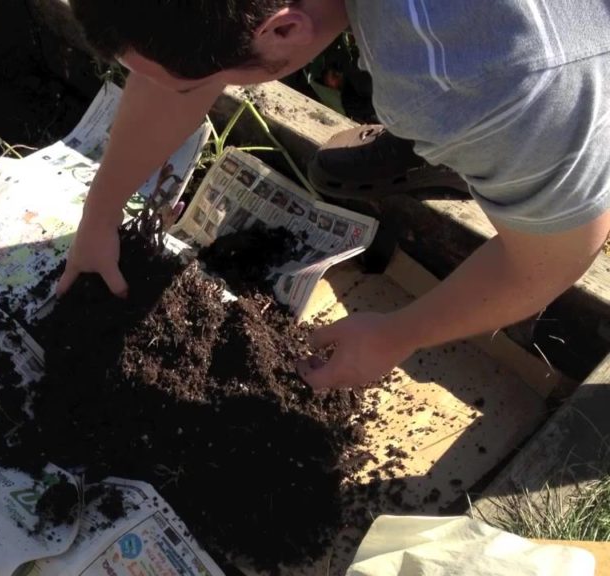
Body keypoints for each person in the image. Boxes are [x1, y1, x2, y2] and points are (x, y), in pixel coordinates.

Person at [55, 0, 610, 390]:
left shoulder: (474, 77)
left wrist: (398, 333)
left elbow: (556, 256)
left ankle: (485, 145)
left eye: (197, 82)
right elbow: (172, 67)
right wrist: (100, 216)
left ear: (285, 30)